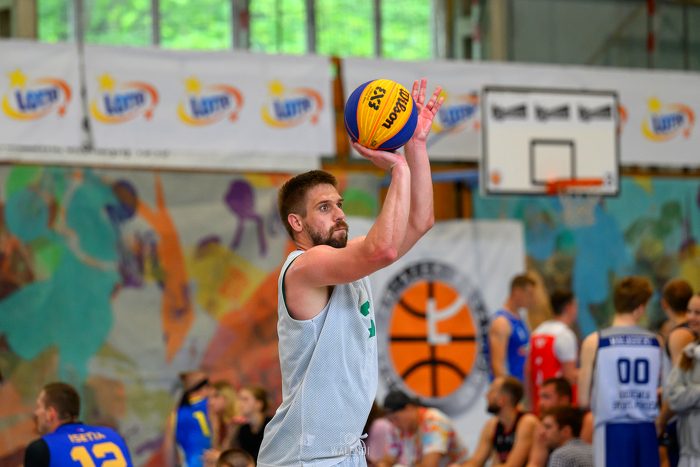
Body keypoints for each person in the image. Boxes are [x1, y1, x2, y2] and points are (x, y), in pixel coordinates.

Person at [257, 79, 443, 467]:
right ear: (296, 222)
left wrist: (416, 146)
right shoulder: (303, 267)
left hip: (344, 452)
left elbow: (421, 220)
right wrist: (398, 168)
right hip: (303, 458)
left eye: (339, 204)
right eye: (324, 208)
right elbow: (384, 248)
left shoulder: (350, 263)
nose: (339, 213)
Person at [578, 276, 661, 467]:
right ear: (641, 307)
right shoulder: (656, 342)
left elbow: (582, 400)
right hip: (647, 428)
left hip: (612, 428)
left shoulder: (594, 342)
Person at [24, 382, 134, 467]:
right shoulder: (112, 436)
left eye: (39, 407)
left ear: (50, 413)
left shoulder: (42, 448)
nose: (36, 413)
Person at [656, 279, 696, 467]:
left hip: (681, 421)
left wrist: (661, 421)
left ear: (664, 303)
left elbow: (678, 388)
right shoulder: (690, 335)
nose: (693, 317)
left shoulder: (679, 335)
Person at [376, 390, 469, 467]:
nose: (394, 424)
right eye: (390, 420)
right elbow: (388, 460)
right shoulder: (396, 428)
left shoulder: (434, 422)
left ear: (409, 408)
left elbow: (430, 465)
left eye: (396, 418)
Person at [463, 377, 539, 467]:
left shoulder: (527, 422)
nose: (487, 395)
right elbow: (476, 461)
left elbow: (513, 465)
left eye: (491, 391)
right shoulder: (492, 425)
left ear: (502, 399)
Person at [527, 290, 579, 415]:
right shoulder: (565, 335)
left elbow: (528, 370)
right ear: (569, 308)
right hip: (557, 408)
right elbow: (569, 376)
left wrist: (531, 405)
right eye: (576, 306)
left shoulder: (536, 332)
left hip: (539, 404)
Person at [666, 293, 700, 467]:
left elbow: (680, 396)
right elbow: (672, 396)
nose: (691, 317)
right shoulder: (688, 352)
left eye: (697, 313)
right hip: (688, 450)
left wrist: (687, 395)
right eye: (689, 311)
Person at [485, 275, 536, 382]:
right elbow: (497, 364)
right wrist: (508, 390)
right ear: (517, 292)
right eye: (529, 294)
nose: (532, 299)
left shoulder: (520, 320)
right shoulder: (502, 322)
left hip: (521, 386)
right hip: (511, 387)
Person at [165, 371, 214, 467]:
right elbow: (216, 439)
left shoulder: (176, 412)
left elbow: (169, 449)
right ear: (203, 388)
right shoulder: (210, 406)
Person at [234, 385, 272, 462]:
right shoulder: (243, 430)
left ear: (258, 404)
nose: (240, 403)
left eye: (245, 399)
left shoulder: (271, 425)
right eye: (239, 399)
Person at [210, 381, 244, 450]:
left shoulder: (238, 421)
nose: (211, 402)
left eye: (216, 396)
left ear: (227, 397)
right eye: (209, 397)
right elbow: (215, 448)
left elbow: (225, 451)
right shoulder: (219, 420)